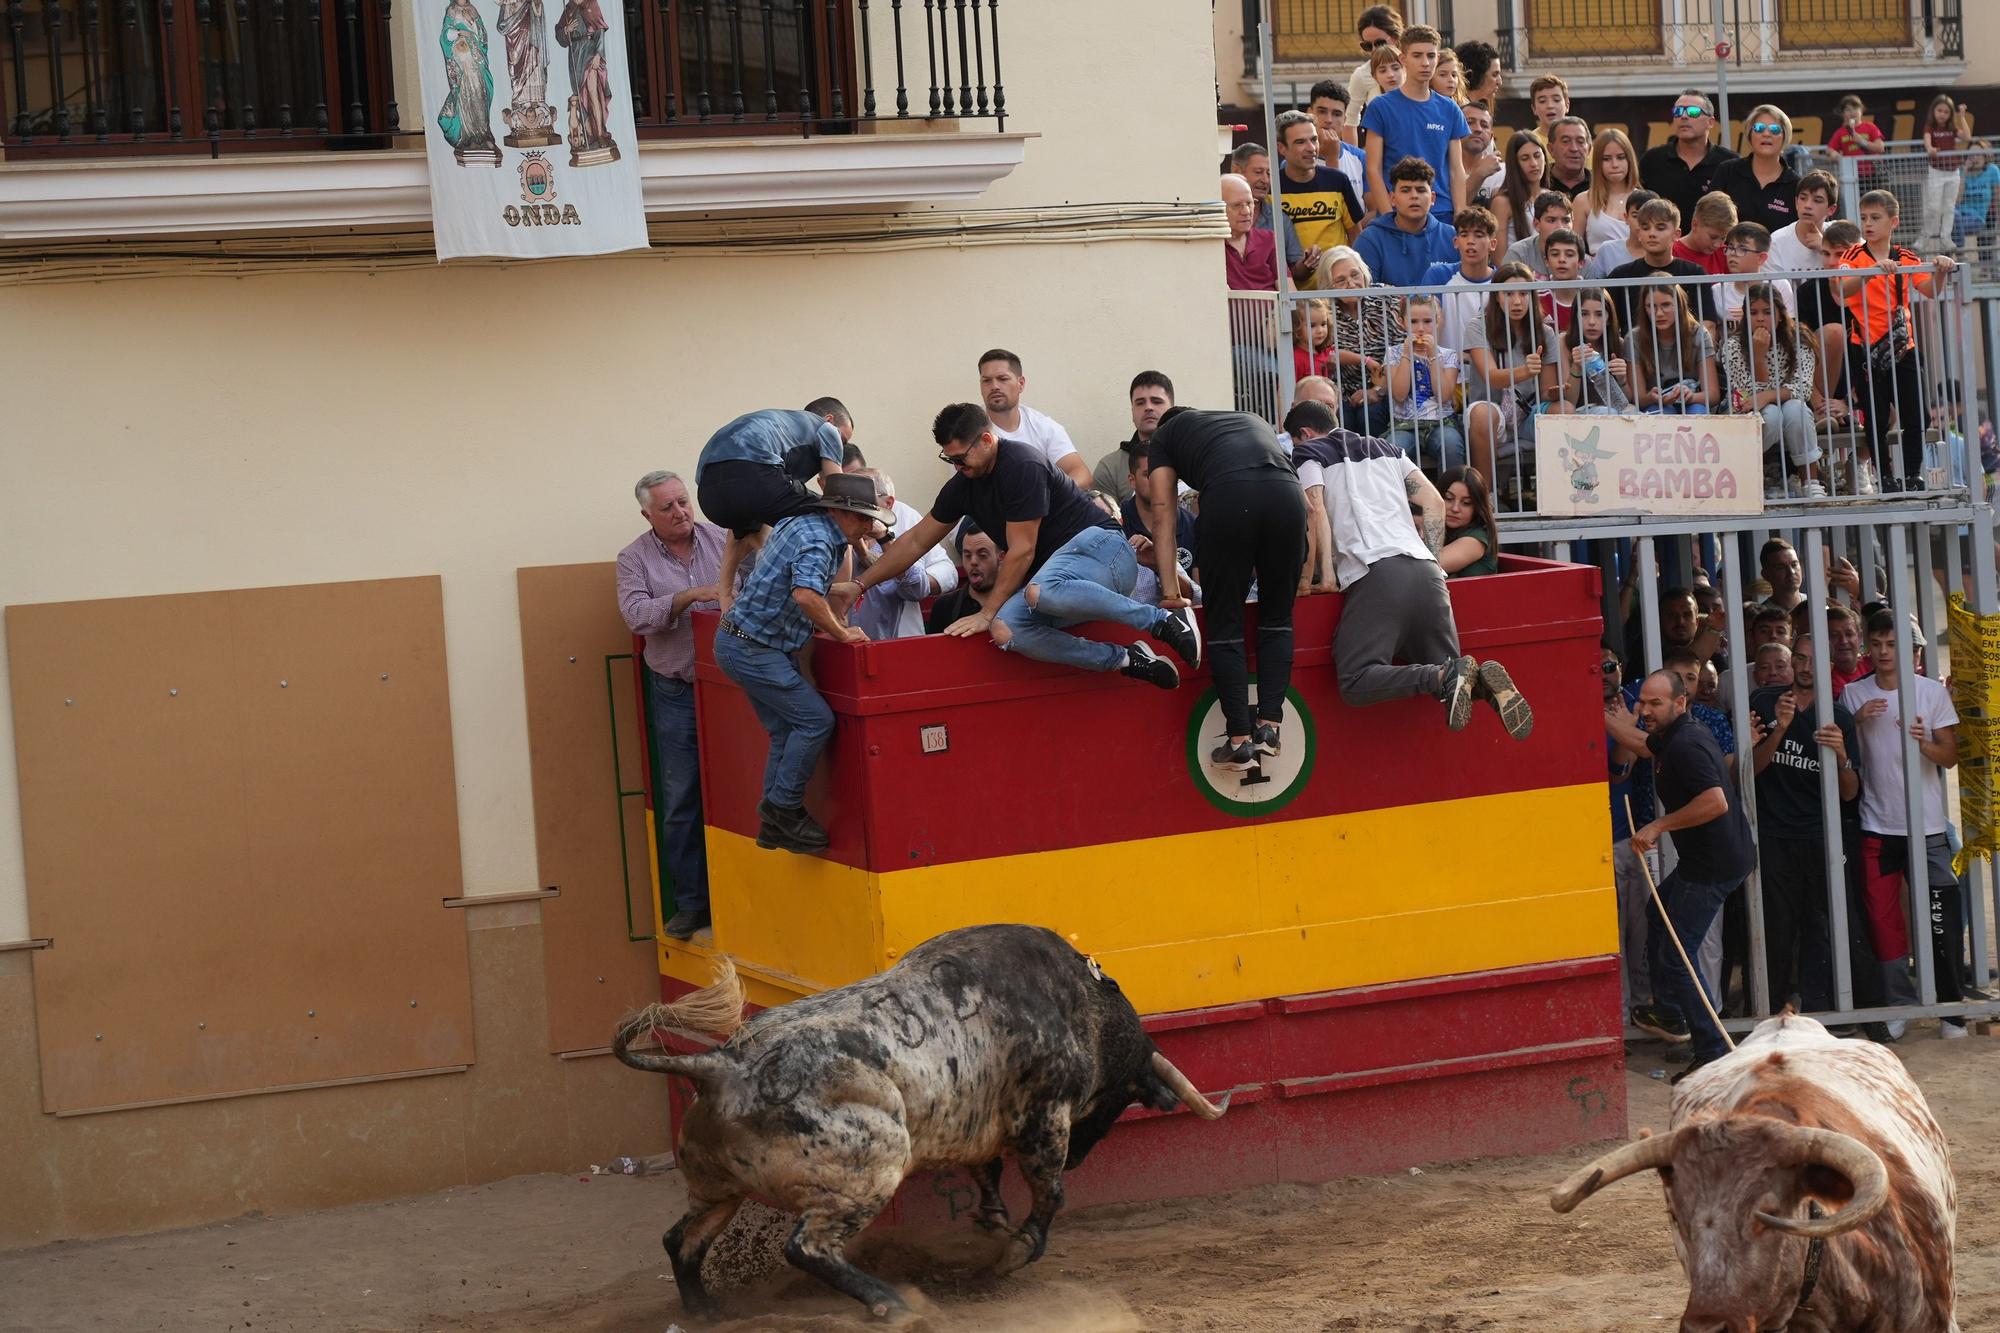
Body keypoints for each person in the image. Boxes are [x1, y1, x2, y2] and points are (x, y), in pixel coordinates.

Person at [840, 402, 1197, 687]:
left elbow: (1023, 550)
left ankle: (1164, 622)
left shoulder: (1021, 464)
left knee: (1036, 592)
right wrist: (859, 585)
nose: (957, 465)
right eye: (949, 459)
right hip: (1059, 582)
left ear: (986, 440)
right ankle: (1126, 659)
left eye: (961, 457)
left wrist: (984, 611)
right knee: (1007, 630)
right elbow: (916, 539)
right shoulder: (965, 483)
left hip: (1105, 552)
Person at [1284, 398, 1532, 738]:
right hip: (1428, 574)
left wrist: (1323, 577)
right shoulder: (1387, 447)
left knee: (1356, 680)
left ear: (1305, 433)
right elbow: (1433, 502)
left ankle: (1447, 676)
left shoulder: (1309, 452)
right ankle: (1483, 684)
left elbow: (1314, 510)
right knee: (1451, 682)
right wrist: (1432, 559)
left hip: (1378, 574)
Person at [713, 473, 883, 855]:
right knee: (815, 721)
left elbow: (797, 584)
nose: (869, 526)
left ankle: (774, 823)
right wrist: (842, 633)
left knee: (785, 729)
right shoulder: (821, 540)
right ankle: (782, 808)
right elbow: (805, 594)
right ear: (841, 512)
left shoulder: (801, 522)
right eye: (863, 518)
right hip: (756, 649)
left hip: (741, 642)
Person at [1606, 668, 1755, 1081]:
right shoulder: (1671, 736)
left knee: (1678, 952)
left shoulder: (1687, 745)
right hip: (1706, 859)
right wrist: (1600, 714)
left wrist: (1658, 826)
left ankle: (1712, 1050)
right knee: (1659, 917)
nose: (1646, 710)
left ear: (1680, 703)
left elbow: (1715, 801)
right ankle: (1671, 1014)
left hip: (1713, 864)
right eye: (1644, 702)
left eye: (1656, 704)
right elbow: (1641, 742)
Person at [1144, 409, 1305, 770]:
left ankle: (1239, 740)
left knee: (1225, 623)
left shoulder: (1165, 438)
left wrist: (1171, 592)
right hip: (1287, 496)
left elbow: (1162, 512)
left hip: (1231, 497)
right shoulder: (1248, 419)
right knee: (1278, 618)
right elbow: (1306, 502)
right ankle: (1269, 728)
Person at [1844, 608, 1969, 1036]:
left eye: (1892, 645)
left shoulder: (1931, 694)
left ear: (1912, 651)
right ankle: (1899, 1004)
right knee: (1883, 922)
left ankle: (1950, 1008)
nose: (1883, 652)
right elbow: (1844, 756)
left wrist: (1925, 743)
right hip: (1877, 828)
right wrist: (1854, 724)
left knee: (1940, 918)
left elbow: (1950, 758)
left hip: (1929, 828)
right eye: (1876, 644)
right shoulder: (1854, 695)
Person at [616, 470, 730, 939]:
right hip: (676, 689)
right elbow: (637, 617)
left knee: (740, 791)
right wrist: (687, 598)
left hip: (731, 688)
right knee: (682, 798)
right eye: (668, 507)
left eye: (684, 501)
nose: (681, 512)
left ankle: (743, 897)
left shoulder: (723, 538)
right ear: (647, 514)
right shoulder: (632, 559)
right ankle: (692, 904)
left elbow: (759, 587)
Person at [1748, 633, 1859, 1013]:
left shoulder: (1839, 716)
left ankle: (1820, 1010)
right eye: (1800, 658)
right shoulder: (1765, 702)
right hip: (1773, 836)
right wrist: (1779, 728)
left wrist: (1841, 754)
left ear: (1829, 663)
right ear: (1791, 661)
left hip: (1819, 836)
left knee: (1820, 927)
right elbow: (1748, 774)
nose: (1806, 666)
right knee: (1775, 929)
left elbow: (1849, 793)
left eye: (1815, 659)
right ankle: (1772, 1010)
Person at [1836, 189, 1958, 492]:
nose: (1868, 223)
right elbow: (1841, 291)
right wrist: (1870, 272)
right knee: (1875, 417)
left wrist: (1941, 269)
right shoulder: (1852, 255)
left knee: (1916, 412)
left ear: (1894, 222)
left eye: (1875, 218)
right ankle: (1885, 476)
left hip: (1904, 347)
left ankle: (1914, 473)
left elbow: (1929, 289)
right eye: (1864, 218)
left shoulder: (1906, 256)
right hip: (1865, 347)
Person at [694, 399, 853, 615]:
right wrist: (863, 544)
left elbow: (736, 533)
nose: (840, 450)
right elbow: (840, 493)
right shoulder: (826, 428)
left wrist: (724, 593)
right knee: (839, 523)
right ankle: (837, 616)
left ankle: (732, 600)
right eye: (843, 440)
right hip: (753, 472)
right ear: (830, 420)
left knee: (753, 530)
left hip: (710, 495)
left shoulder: (784, 433)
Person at [1722, 282, 1824, 499]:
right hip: (1747, 411)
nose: (1760, 318)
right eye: (1754, 312)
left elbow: (1803, 389)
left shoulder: (1800, 339)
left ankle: (1811, 481)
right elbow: (1748, 395)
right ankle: (1756, 478)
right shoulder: (1732, 346)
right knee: (1771, 415)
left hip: (1789, 404)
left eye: (1767, 312)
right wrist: (1758, 357)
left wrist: (1769, 395)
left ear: (1780, 315)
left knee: (1796, 408)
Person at [1464, 261, 1559, 487]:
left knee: (1563, 410)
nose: (1517, 301)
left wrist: (1559, 391)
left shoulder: (1544, 331)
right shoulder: (1478, 326)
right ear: (1496, 297)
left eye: (1524, 294)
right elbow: (1491, 376)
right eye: (1508, 293)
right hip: (1491, 410)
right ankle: (1486, 499)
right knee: (1482, 414)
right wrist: (1525, 371)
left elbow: (1547, 392)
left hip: (1528, 413)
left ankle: (1558, 496)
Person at [1359, 25, 1468, 221]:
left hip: (1442, 213)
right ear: (1403, 59)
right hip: (1397, 213)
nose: (1425, 63)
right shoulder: (1380, 107)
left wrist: (1460, 215)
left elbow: (1456, 169)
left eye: (1431, 56)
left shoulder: (1450, 109)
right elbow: (1372, 169)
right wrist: (1387, 216)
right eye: (1417, 55)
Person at [844, 469, 958, 641]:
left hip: (897, 644)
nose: (856, 509)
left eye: (864, 499)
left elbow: (926, 583)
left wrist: (885, 542)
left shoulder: (906, 519)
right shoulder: (838, 533)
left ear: (888, 503)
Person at [1601, 648, 1650, 1018]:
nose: (1603, 674)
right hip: (1602, 841)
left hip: (1633, 835)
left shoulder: (1635, 703)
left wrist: (1628, 725)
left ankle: (1643, 1009)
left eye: (1610, 666)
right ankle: (1620, 1017)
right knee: (1613, 936)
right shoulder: (1583, 710)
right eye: (1596, 667)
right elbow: (1617, 771)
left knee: (1642, 931)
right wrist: (1626, 730)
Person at [977, 349, 1092, 490]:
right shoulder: (968, 431)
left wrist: (1045, 497)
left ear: (1021, 383)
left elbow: (1082, 474)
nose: (994, 386)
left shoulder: (1044, 427)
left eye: (1003, 379)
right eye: (987, 380)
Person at [1276, 110, 1365, 286]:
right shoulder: (1272, 188)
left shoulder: (1338, 180)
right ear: (1281, 148)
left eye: (1314, 139)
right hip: (1293, 295)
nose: (1311, 148)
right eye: (1300, 142)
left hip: (1337, 293)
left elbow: (1355, 235)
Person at [1320, 246, 1403, 435]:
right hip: (1339, 390)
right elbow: (1324, 355)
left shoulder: (1386, 298)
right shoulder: (1323, 311)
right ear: (1328, 285)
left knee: (1370, 415)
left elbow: (1401, 349)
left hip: (1385, 387)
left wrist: (1378, 390)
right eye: (1340, 280)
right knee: (1340, 417)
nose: (1351, 283)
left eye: (1355, 275)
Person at [1385, 292, 1464, 470]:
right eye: (1413, 322)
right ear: (1402, 322)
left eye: (1427, 321)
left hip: (1442, 423)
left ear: (1438, 321)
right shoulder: (1394, 353)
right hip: (1403, 425)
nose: (1420, 328)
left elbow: (1443, 396)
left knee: (1451, 445)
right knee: (1393, 448)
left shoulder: (1448, 354)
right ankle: (1401, 497)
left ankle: (1449, 495)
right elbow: (1399, 394)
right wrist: (1406, 354)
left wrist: (1433, 356)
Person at [1639, 90, 1736, 230]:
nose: (1684, 116)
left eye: (1693, 112)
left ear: (1711, 122)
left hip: (1712, 248)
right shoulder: (1653, 160)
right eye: (1678, 111)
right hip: (1663, 248)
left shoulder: (1729, 163)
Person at [1355, 156, 1458, 286]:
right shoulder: (1370, 239)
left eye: (1421, 190)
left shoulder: (1452, 237)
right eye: (1406, 190)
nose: (1414, 196)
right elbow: (1365, 297)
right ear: (1392, 198)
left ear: (1432, 198)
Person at [1710, 104, 1800, 237]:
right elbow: (1708, 217)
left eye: (1775, 130)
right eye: (1759, 128)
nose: (1766, 134)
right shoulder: (1727, 171)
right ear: (1750, 135)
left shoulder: (1796, 185)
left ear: (1785, 136)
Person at [1630, 284, 1719, 415]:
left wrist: (1691, 397)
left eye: (1666, 305)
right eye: (1651, 306)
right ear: (1644, 308)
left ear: (1679, 305)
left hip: (1693, 401)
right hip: (1655, 405)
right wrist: (1651, 397)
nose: (1659, 313)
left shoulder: (1699, 334)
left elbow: (1713, 394)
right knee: (1659, 413)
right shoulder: (1634, 338)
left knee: (1697, 412)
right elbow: (1637, 398)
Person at [1230, 142, 1310, 283]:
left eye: (1269, 173)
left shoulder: (1279, 219)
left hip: (1271, 303)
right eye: (1258, 172)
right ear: (1237, 172)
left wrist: (1308, 263)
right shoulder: (1218, 217)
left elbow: (1295, 274)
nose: (1265, 180)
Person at [1092, 371, 1175, 502]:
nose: (1148, 407)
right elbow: (1104, 521)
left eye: (1156, 401)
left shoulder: (1196, 457)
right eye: (1140, 403)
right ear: (1132, 411)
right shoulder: (1110, 468)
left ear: (1172, 408)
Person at [1426, 203, 1498, 353]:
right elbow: (1422, 318)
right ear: (1456, 242)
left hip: (1492, 372)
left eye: (1479, 235)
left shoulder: (1503, 280)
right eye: (1464, 234)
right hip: (1446, 373)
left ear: (1493, 244)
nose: (1470, 241)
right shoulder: (1438, 275)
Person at [1554, 288, 1634, 414]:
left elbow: (1626, 401)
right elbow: (1569, 401)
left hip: (1613, 410)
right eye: (1584, 314)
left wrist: (1622, 379)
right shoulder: (1563, 342)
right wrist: (1576, 367)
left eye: (1599, 314)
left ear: (1609, 318)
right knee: (1607, 413)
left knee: (1634, 413)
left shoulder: (1619, 343)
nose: (1591, 322)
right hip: (1579, 413)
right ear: (1576, 317)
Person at [1918, 92, 1976, 253]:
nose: (1942, 115)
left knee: (1949, 207)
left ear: (1950, 114)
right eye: (1939, 111)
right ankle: (1924, 237)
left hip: (1953, 172)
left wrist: (1962, 116)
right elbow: (1927, 141)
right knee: (1933, 207)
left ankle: (1946, 237)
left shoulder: (1951, 128)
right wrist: (1930, 149)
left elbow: (1967, 137)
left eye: (1946, 112)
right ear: (1933, 111)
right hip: (1936, 171)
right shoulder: (1930, 127)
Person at [925, 523, 1000, 633]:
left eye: (982, 555)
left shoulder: (1017, 603)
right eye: (967, 555)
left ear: (1001, 557)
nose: (973, 562)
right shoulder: (944, 606)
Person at [1578, 127, 1639, 255]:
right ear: (1597, 163)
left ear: (1630, 160)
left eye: (1621, 157)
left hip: (1639, 273)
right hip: (1598, 273)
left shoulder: (1646, 200)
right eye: (1606, 159)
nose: (1615, 164)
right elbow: (1573, 249)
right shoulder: (1583, 201)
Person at [1345, 4, 1404, 136]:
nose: (1374, 50)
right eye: (1367, 45)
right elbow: (1350, 120)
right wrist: (1355, 155)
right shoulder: (1362, 74)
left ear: (1395, 37)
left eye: (1379, 43)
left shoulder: (1414, 64)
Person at [1307, 79, 1367, 205]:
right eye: (1322, 112)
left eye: (1336, 114)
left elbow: (1373, 210)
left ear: (1345, 119)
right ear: (1310, 114)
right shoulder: (1293, 160)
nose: (1329, 120)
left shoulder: (1361, 158)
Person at [1766, 170, 1837, 275]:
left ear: (1831, 209)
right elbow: (1772, 289)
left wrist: (1825, 249)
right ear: (1796, 203)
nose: (1807, 205)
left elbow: (1863, 267)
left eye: (1817, 200)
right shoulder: (1777, 241)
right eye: (1803, 198)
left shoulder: (1842, 235)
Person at [1581, 188, 1659, 279]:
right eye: (1635, 216)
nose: (1641, 222)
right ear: (1626, 217)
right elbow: (1594, 288)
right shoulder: (1608, 250)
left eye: (1649, 217)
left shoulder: (1666, 251)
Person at [1222, 172, 1278, 293]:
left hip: (1274, 311)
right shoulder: (1211, 245)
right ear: (1219, 208)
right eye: (1237, 205)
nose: (1246, 211)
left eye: (1249, 203)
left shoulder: (1269, 239)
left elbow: (1288, 288)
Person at [1438, 465, 1498, 577]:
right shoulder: (1440, 530)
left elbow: (1429, 565)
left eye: (1466, 503)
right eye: (1449, 498)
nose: (1455, 508)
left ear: (1477, 507)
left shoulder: (1477, 538)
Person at [1491, 130, 1548, 245]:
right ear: (1514, 164)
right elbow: (1499, 259)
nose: (1534, 164)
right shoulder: (1502, 202)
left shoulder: (1551, 197)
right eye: (1525, 158)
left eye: (1537, 156)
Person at [1501, 190, 1572, 278]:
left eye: (1566, 221)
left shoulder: (1582, 260)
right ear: (1536, 224)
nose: (1560, 227)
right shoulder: (1518, 254)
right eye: (1552, 220)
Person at [1673, 190, 1736, 278]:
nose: (1717, 245)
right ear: (1695, 224)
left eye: (1723, 238)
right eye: (1713, 237)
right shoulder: (1671, 252)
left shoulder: (1726, 254)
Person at [1536, 228, 1585, 335]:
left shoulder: (1593, 297)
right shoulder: (1536, 299)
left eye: (1569, 254)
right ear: (1546, 261)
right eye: (1555, 254)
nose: (1561, 259)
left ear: (1581, 262)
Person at [1827, 94, 1885, 181]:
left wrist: (1862, 141)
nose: (1852, 112)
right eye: (1848, 110)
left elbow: (1880, 148)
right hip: (1852, 174)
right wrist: (1836, 155)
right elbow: (1830, 149)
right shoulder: (1840, 132)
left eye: (1855, 108)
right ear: (1843, 113)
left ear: (1861, 110)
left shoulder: (1870, 127)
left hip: (1872, 173)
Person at [1954, 140, 2000, 249]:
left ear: (1985, 155)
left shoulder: (1992, 170)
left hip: (1977, 218)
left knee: (1950, 227)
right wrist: (1964, 172)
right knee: (1953, 215)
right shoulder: (1961, 172)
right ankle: (1957, 253)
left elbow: (1998, 197)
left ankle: (1958, 251)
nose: (1975, 157)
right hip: (1958, 215)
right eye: (1971, 154)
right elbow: (1957, 201)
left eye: (1978, 153)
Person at [1461, 100, 1503, 204]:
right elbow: (1452, 211)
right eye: (1470, 122)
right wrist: (1480, 173)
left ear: (1491, 137)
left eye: (1484, 125)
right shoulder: (1441, 170)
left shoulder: (1504, 173)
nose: (1478, 129)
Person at [1544, 116, 1592, 200]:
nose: (1574, 148)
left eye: (1580, 142)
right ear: (1551, 149)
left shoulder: (1600, 186)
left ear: (1589, 149)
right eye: (1566, 141)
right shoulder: (1538, 184)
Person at [1293, 297, 1337, 380]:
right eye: (1312, 325)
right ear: (1296, 328)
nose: (1320, 331)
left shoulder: (1323, 351)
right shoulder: (1296, 359)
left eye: (1323, 324)